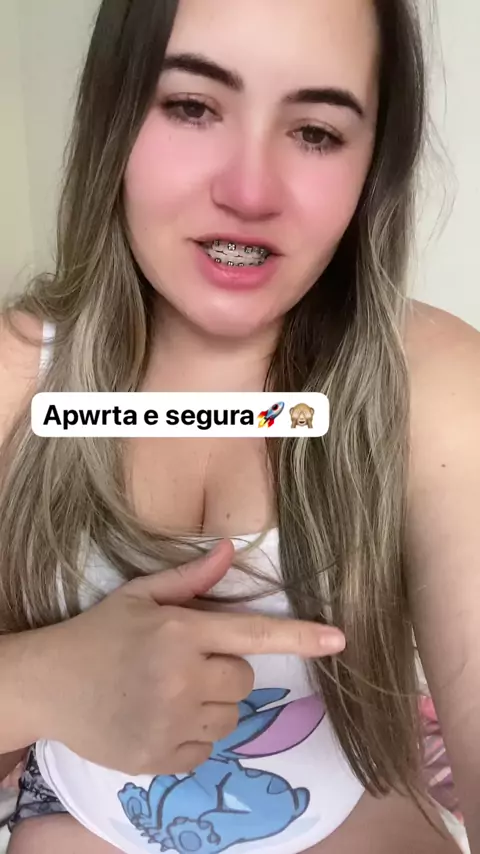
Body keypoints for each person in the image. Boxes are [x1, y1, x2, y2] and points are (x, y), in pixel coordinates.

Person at [0, 0, 478, 851]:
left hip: (349, 812)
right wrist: (42, 680)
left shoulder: (433, 380)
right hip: (83, 816)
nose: (249, 193)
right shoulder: (18, 373)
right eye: (191, 106)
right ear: (113, 110)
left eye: (317, 132)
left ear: (374, 162)